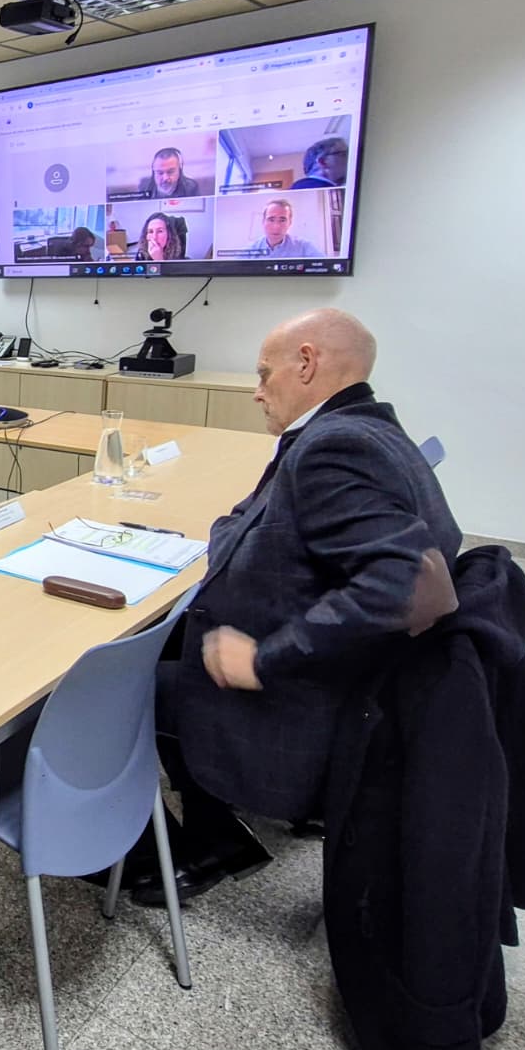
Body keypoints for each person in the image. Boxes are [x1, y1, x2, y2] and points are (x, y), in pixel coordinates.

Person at [130, 309, 462, 906]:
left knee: (132, 685)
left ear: (306, 362)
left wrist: (264, 658)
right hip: (364, 676)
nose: (257, 391)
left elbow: (409, 584)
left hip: (308, 699)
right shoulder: (372, 427)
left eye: (264, 374)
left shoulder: (333, 446)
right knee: (172, 634)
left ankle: (210, 842)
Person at [246, 197, 321, 258]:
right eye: (271, 219)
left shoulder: (304, 247)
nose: (276, 226)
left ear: (290, 223)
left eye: (282, 220)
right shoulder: (250, 250)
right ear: (263, 221)